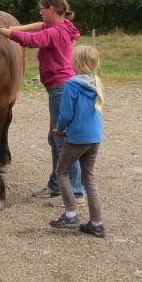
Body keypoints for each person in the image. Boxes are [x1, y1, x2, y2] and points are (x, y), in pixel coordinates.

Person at [0, 0, 85, 206]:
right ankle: (57, 186)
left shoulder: (56, 32)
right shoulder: (63, 25)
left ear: (51, 9)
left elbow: (32, 39)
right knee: (55, 138)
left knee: (62, 140)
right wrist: (14, 27)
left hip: (60, 89)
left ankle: (75, 193)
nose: (40, 12)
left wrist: (5, 33)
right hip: (59, 89)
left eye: (42, 9)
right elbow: (38, 26)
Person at [48, 45, 106, 237]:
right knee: (88, 178)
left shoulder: (71, 85)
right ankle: (97, 223)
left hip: (77, 138)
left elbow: (66, 113)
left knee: (62, 172)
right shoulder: (96, 82)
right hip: (94, 138)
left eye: (72, 59)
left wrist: (59, 128)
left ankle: (71, 213)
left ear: (78, 63)